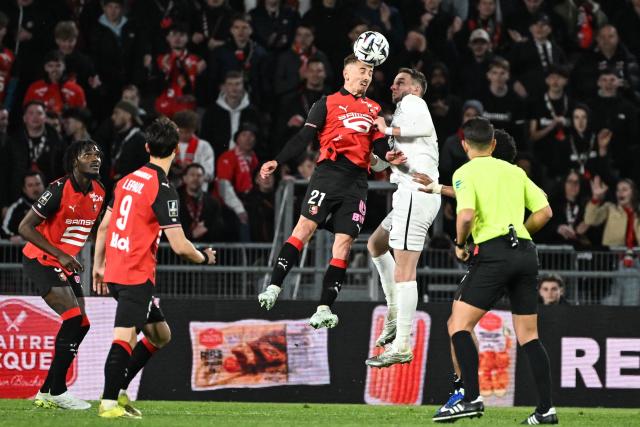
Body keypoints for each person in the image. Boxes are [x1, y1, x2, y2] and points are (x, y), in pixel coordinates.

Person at [257, 54, 405, 328]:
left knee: (344, 244)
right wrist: (278, 160)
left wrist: (390, 156)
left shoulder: (374, 109)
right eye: (362, 69)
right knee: (303, 229)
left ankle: (324, 308)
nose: (366, 76)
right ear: (346, 73)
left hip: (357, 183)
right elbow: (304, 136)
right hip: (328, 175)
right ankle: (274, 286)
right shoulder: (326, 102)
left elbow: (379, 146)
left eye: (370, 72)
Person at [431, 118, 556, 424]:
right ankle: (545, 410)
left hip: (493, 253)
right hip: (525, 253)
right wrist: (521, 234)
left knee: (458, 325)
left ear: (464, 145)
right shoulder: (515, 172)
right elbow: (545, 212)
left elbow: (467, 214)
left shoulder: (466, 172)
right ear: (494, 144)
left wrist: (460, 244)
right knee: (529, 336)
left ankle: (471, 398)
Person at [92, 117, 216, 419]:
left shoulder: (125, 180)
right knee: (124, 336)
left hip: (115, 269)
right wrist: (204, 258)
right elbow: (180, 245)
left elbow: (105, 226)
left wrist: (97, 266)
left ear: (147, 147)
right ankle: (109, 403)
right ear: (176, 149)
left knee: (161, 335)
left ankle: (119, 389)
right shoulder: (162, 188)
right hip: (135, 273)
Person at [18, 141, 105, 410]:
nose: (95, 158)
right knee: (72, 319)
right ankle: (58, 390)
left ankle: (45, 392)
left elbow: (87, 229)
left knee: (83, 324)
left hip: (65, 263)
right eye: (87, 154)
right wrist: (61, 254)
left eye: (97, 154)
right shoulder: (57, 190)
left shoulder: (100, 192)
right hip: (41, 259)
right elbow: (25, 227)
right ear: (74, 162)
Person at [363, 68, 440, 368]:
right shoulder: (402, 122)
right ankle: (394, 313)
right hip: (412, 196)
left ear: (417, 89)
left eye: (401, 82)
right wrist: (370, 151)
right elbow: (383, 160)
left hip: (416, 195)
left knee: (405, 270)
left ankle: (403, 345)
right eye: (394, 83)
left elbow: (418, 129)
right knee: (376, 245)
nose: (394, 86)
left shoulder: (413, 105)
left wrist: (384, 128)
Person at [23, 50, 86, 115]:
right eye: (50, 66)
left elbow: (81, 116)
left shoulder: (77, 90)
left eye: (58, 66)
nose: (54, 70)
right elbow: (27, 113)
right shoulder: (34, 87)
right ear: (45, 68)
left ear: (64, 67)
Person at [178, 163, 224, 242]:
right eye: (192, 175)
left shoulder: (213, 202)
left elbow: (219, 227)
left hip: (204, 249)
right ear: (184, 178)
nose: (195, 178)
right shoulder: (174, 199)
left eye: (199, 175)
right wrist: (190, 234)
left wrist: (207, 227)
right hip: (179, 250)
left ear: (203, 179)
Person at [2, 171, 45, 241]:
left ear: (44, 185)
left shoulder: (53, 204)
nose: (35, 188)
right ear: (24, 189)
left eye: (38, 184)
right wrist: (11, 237)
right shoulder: (16, 208)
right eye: (30, 185)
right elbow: (4, 229)